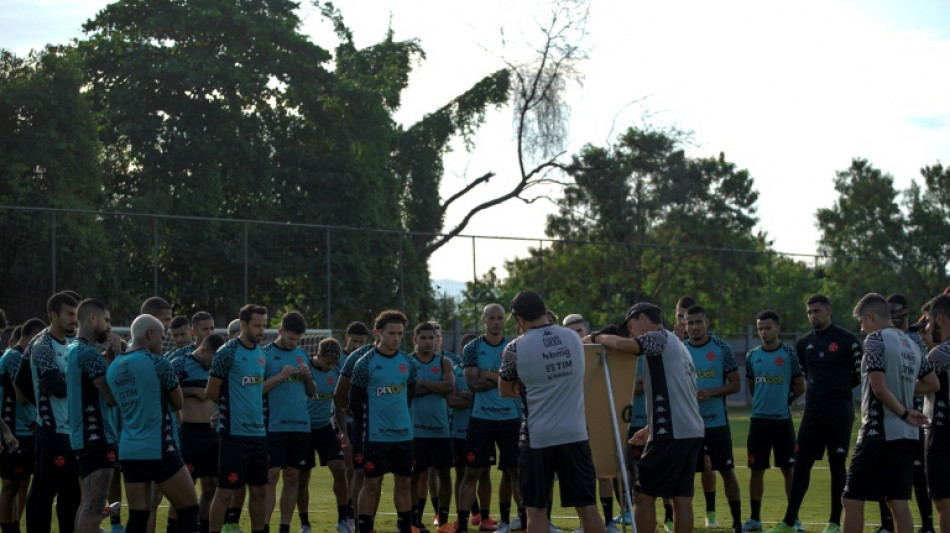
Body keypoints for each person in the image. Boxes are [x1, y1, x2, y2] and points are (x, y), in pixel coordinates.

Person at [586, 302, 704, 533]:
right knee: (681, 498)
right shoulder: (678, 346)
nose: (631, 333)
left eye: (630, 326)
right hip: (691, 431)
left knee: (642, 494)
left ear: (641, 318)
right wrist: (650, 427)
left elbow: (625, 345)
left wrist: (597, 338)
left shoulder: (659, 337)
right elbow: (681, 394)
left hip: (671, 433)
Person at [499, 291, 604, 533]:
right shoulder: (573, 338)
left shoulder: (515, 348)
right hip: (575, 433)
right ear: (544, 310)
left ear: (519, 319)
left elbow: (505, 390)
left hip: (537, 437)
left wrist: (528, 385)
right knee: (588, 506)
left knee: (535, 509)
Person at [766, 295, 863, 533]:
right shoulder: (803, 343)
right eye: (809, 312)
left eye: (817, 311)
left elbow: (856, 375)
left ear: (828, 311)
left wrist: (835, 393)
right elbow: (805, 375)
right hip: (813, 413)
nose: (812, 316)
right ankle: (789, 522)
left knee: (837, 465)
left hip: (839, 411)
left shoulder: (847, 340)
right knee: (801, 465)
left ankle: (834, 523)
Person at [840, 294, 937, 533]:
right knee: (897, 501)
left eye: (862, 322)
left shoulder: (875, 339)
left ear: (871, 316)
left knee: (851, 499)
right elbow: (932, 383)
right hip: (908, 434)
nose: (862, 329)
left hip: (879, 430)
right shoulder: (912, 344)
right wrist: (903, 392)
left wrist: (903, 412)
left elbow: (879, 388)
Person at [106, 314, 200, 533]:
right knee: (189, 508)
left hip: (129, 449)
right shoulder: (158, 362)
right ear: (150, 334)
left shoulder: (114, 366)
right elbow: (178, 403)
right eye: (162, 336)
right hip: (159, 447)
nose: (162, 342)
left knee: (139, 515)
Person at [449, 304, 521, 533]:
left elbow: (518, 383)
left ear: (505, 321)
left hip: (510, 418)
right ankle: (462, 524)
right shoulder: (472, 348)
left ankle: (521, 521)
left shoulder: (514, 347)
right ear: (484, 320)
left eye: (500, 318)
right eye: (492, 318)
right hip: (481, 419)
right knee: (472, 472)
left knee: (515, 471)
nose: (496, 322)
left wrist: (487, 374)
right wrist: (502, 378)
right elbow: (473, 384)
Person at [349, 310, 417, 533]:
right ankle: (364, 528)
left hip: (403, 435)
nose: (396, 338)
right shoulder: (364, 363)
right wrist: (370, 424)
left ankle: (404, 528)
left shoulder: (408, 362)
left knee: (404, 483)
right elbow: (355, 402)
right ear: (378, 332)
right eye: (391, 333)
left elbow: (408, 396)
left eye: (400, 333)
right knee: (371, 483)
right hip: (376, 436)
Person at [20, 291, 80, 533]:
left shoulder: (72, 345)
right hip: (52, 431)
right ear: (53, 315)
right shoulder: (42, 345)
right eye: (69, 314)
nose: (74, 320)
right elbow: (57, 388)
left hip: (73, 432)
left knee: (71, 495)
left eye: (76, 314)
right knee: (44, 492)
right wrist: (42, 403)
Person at [206, 304, 270, 533]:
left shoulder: (261, 354)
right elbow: (212, 390)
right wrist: (227, 409)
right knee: (225, 491)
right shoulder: (227, 352)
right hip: (233, 433)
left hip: (258, 433)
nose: (261, 330)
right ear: (243, 325)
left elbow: (256, 391)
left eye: (264, 325)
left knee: (260, 490)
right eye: (257, 325)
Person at [875, 295, 933, 533]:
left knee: (918, 473)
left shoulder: (914, 340)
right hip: (886, 414)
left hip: (912, 414)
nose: (896, 320)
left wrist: (901, 389)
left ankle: (927, 525)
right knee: (884, 471)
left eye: (900, 316)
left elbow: (929, 380)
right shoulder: (882, 337)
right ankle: (887, 525)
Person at [742, 311, 804, 532]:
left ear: (778, 328)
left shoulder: (789, 355)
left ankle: (794, 518)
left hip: (782, 422)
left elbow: (800, 387)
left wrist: (785, 401)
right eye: (760, 328)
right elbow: (752, 387)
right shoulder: (752, 356)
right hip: (758, 422)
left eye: (768, 328)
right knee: (756, 470)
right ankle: (754, 519)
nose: (763, 332)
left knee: (788, 470)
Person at [683, 305, 742, 533]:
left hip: (716, 422)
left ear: (706, 323)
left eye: (698, 322)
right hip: (689, 424)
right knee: (685, 475)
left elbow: (735, 384)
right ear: (685, 325)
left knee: (726, 471)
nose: (695, 327)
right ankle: (683, 522)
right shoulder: (681, 350)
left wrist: (712, 392)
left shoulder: (721, 348)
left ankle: (737, 523)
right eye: (690, 323)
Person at [67, 299, 120, 533]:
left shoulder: (75, 349)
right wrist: (119, 359)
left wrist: (108, 358)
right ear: (92, 318)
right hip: (96, 436)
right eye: (106, 320)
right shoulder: (89, 354)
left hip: (84, 437)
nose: (109, 326)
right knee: (95, 506)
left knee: (87, 504)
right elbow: (111, 396)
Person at [262, 312, 316, 533]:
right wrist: (279, 376)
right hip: (273, 426)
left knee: (293, 477)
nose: (294, 343)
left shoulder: (302, 355)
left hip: (300, 426)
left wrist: (308, 377)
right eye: (291, 338)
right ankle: (264, 526)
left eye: (298, 339)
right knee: (270, 476)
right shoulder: (264, 354)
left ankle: (285, 527)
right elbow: (256, 391)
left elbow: (311, 392)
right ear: (280, 331)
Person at [172, 333, 226, 533]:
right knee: (183, 490)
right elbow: (165, 390)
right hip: (190, 433)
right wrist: (191, 392)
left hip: (213, 434)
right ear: (203, 350)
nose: (214, 363)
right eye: (213, 358)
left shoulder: (219, 366)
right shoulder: (179, 364)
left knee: (211, 487)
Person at [298, 338, 350, 533]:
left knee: (339, 468)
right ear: (318, 356)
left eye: (334, 362)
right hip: (303, 429)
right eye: (328, 362)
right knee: (303, 477)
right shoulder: (305, 369)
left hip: (324, 427)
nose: (330, 366)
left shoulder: (336, 372)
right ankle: (305, 524)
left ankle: (343, 520)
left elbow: (338, 405)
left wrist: (343, 431)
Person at [409, 323, 455, 532]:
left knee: (444, 475)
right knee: (415, 476)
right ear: (415, 339)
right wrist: (436, 386)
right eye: (424, 337)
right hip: (415, 430)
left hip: (440, 430)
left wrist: (423, 383)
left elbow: (449, 387)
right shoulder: (408, 362)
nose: (428, 341)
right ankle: (414, 522)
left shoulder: (444, 362)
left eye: (431, 337)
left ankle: (443, 521)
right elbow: (411, 391)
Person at [0, 319, 45, 533]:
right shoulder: (13, 357)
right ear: (34, 337)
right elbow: (23, 395)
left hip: (27, 430)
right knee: (10, 486)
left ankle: (16, 526)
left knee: (21, 483)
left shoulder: (23, 357)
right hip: (13, 430)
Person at [922, 294, 950, 533]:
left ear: (940, 319)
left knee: (943, 500)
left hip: (943, 431)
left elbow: (914, 385)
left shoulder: (939, 355)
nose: (928, 328)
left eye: (930, 321)